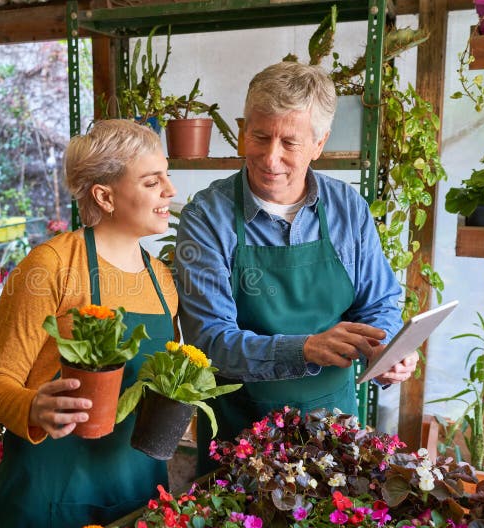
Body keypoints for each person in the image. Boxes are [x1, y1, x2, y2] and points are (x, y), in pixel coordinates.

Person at [173, 62, 418, 474]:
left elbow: (380, 302)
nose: (271, 158)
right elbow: (210, 341)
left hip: (335, 429)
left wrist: (388, 350)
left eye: (290, 142)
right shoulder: (207, 216)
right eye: (260, 136)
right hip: (241, 434)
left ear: (319, 143)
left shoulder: (347, 208)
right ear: (241, 129)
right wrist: (304, 348)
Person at [0, 119, 178, 528]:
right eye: (151, 181)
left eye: (167, 176)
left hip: (136, 494)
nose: (169, 191)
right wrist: (33, 407)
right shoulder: (51, 267)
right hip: (50, 500)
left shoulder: (162, 280)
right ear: (105, 196)